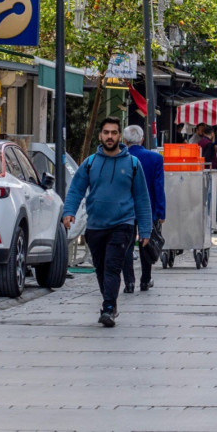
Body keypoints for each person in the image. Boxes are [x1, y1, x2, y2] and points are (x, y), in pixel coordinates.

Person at [62, 117, 151, 328]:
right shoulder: (90, 162)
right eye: (106, 132)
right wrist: (69, 212)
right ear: (100, 135)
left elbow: (142, 198)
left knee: (112, 266)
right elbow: (76, 189)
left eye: (113, 132)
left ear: (120, 136)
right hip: (95, 226)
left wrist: (145, 229)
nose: (109, 136)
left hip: (123, 224)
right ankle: (110, 301)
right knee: (100, 268)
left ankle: (109, 307)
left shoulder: (133, 164)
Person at [122, 125, 165, 292]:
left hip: (125, 208)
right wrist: (161, 211)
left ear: (124, 141)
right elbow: (158, 186)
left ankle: (129, 282)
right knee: (146, 241)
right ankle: (145, 279)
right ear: (142, 139)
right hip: (149, 207)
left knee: (126, 244)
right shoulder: (155, 158)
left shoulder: (120, 157)